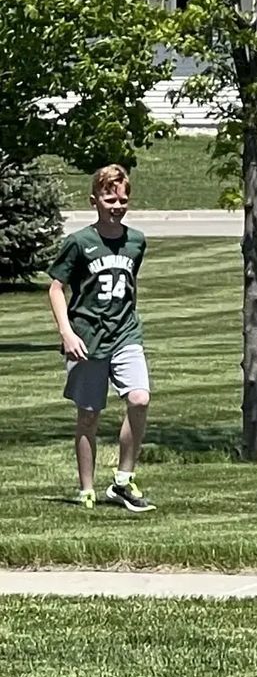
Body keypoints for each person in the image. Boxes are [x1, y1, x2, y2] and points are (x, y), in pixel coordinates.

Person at [47, 165, 154, 512]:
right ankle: (87, 488)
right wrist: (67, 332)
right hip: (88, 338)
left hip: (125, 333)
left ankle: (123, 479)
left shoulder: (136, 241)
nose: (117, 205)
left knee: (138, 399)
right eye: (110, 198)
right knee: (89, 416)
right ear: (94, 200)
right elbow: (56, 288)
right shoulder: (79, 243)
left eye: (123, 199)